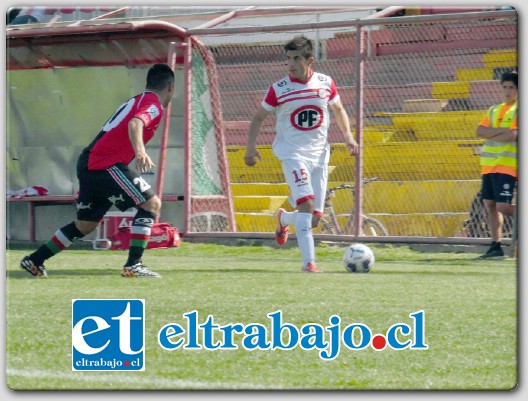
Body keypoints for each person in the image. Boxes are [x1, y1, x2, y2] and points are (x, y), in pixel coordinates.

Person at [20, 63, 175, 278]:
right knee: (151, 204)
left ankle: (35, 260)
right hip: (104, 163)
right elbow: (135, 123)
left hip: (90, 162)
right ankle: (134, 265)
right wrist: (140, 151)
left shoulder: (137, 99)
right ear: (170, 88)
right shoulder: (153, 104)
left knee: (85, 225)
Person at [244, 35, 359, 273]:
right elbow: (258, 118)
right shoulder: (279, 89)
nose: (291, 64)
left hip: (320, 156)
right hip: (293, 154)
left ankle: (284, 219)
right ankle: (309, 264)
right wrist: (250, 147)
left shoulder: (326, 83)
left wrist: (348, 135)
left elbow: (338, 109)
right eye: (288, 59)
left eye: (296, 59)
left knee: (314, 218)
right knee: (306, 205)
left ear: (309, 60)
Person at [476, 70, 518, 259]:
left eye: (512, 87)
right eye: (505, 87)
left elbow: (513, 135)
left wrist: (491, 132)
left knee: (503, 206)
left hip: (508, 165)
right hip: (489, 165)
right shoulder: (494, 109)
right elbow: (479, 130)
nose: (507, 91)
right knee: (490, 204)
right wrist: (502, 132)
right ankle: (496, 246)